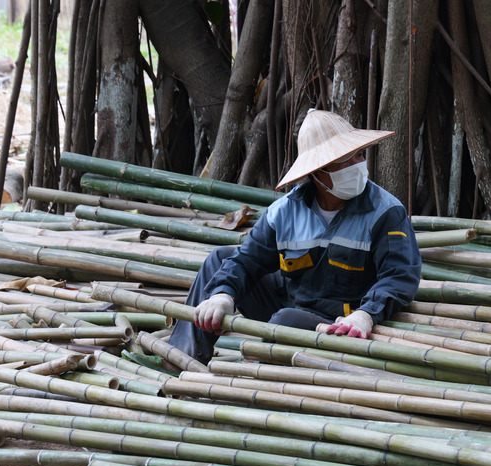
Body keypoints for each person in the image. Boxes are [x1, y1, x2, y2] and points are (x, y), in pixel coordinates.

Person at [167, 109, 422, 366]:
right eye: (345, 161)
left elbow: (399, 275)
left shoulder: (385, 212)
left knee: (285, 321)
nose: (357, 165)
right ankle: (183, 360)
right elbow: (246, 261)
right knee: (219, 262)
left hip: (338, 322)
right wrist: (223, 294)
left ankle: (257, 376)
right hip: (289, 303)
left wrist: (366, 314)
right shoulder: (284, 212)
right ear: (319, 171)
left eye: (359, 155)